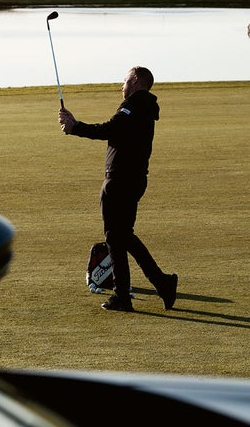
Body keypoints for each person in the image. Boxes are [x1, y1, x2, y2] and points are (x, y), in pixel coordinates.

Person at [58, 66, 178, 312]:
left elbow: (109, 130)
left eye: (124, 81)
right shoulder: (142, 106)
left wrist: (75, 127)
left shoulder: (133, 105)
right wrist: (75, 125)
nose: (121, 86)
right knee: (124, 236)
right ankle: (160, 284)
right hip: (132, 180)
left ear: (135, 81)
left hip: (121, 181)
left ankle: (127, 295)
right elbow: (116, 132)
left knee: (116, 236)